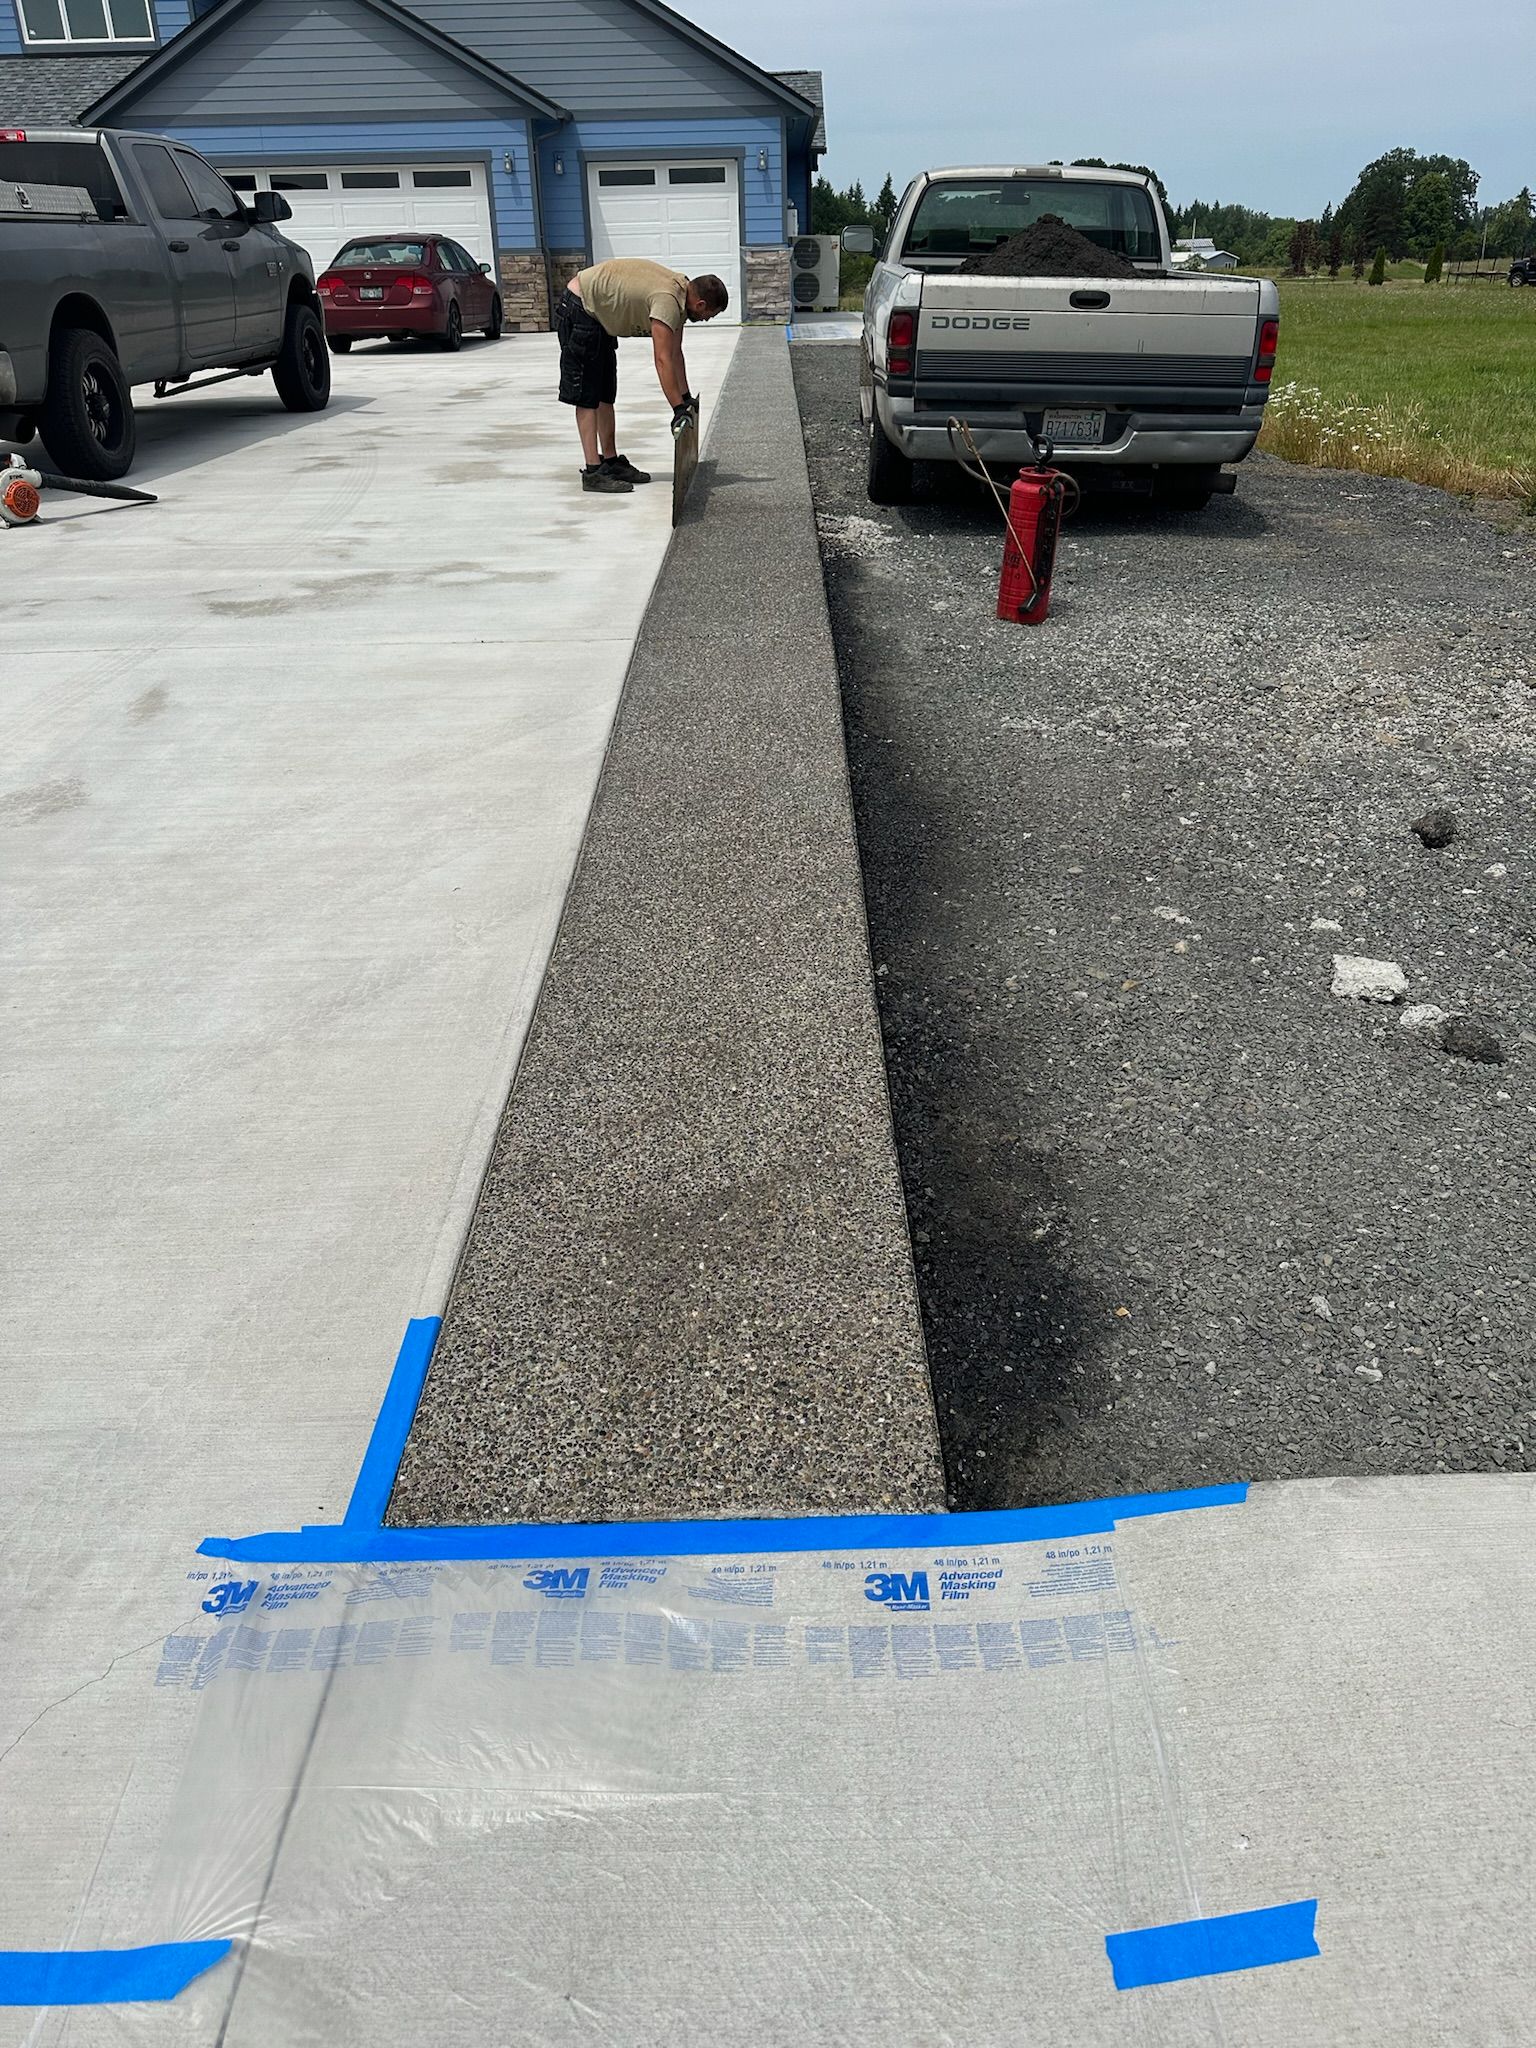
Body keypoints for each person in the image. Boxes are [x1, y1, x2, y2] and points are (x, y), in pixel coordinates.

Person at [555, 258, 729, 494]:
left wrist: (685, 398)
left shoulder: (681, 296)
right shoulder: (668, 301)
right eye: (710, 314)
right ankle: (593, 472)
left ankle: (610, 461)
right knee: (587, 396)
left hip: (599, 315)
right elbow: (662, 359)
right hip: (581, 307)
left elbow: (676, 354)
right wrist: (677, 409)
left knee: (605, 394)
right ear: (699, 304)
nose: (708, 319)